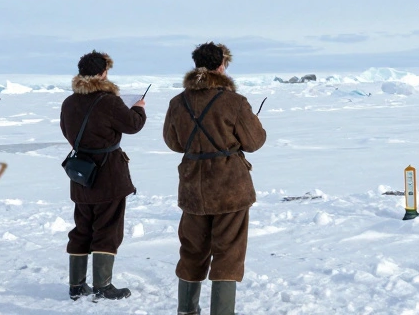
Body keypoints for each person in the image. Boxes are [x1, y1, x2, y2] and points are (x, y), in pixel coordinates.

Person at [163, 43, 267, 315]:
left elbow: (173, 142)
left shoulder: (178, 102)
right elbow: (254, 142)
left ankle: (186, 310)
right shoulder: (235, 102)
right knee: (228, 252)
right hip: (229, 187)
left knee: (192, 249)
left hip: (192, 187)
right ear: (221, 65)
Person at [59, 50, 146, 301]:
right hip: (108, 174)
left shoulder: (69, 102)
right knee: (108, 228)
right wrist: (139, 109)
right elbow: (133, 125)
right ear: (103, 73)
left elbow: (67, 131)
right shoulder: (108, 100)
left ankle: (76, 286)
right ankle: (102, 286)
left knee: (82, 228)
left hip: (81, 172)